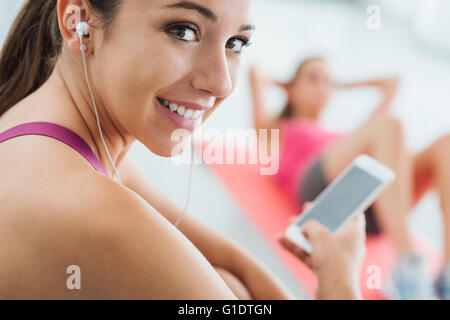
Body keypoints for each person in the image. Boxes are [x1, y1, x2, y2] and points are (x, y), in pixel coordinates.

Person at [0, 0, 366, 300]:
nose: (220, 83)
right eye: (184, 30)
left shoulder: (66, 140)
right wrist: (339, 280)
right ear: (76, 21)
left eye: (235, 43)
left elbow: (234, 263)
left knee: (231, 281)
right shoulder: (95, 210)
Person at [250, 56, 450, 299]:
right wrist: (284, 84)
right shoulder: (277, 128)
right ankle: (406, 266)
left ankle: (445, 276)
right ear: (291, 89)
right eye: (313, 79)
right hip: (320, 191)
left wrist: (339, 86)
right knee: (389, 125)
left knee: (445, 144)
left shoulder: (348, 137)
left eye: (327, 82)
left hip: (368, 204)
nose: (322, 88)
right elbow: (256, 73)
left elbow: (392, 83)